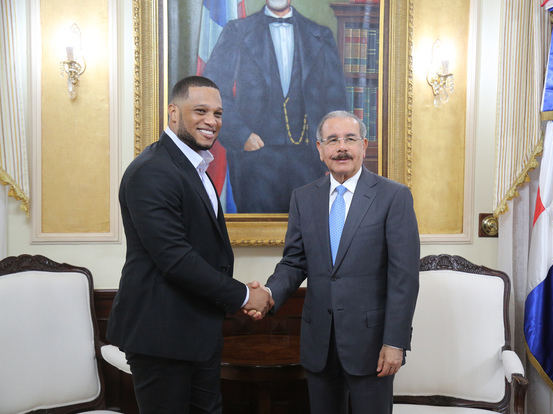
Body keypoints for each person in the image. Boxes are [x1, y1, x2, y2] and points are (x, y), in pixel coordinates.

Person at [106, 76, 272, 414]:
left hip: (198, 331)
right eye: (200, 111)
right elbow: (175, 259)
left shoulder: (195, 166)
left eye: (218, 113)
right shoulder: (151, 170)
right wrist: (243, 295)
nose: (212, 121)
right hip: (161, 335)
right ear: (173, 114)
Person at [262, 111, 420, 414]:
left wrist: (395, 342)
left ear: (363, 145)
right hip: (319, 343)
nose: (341, 147)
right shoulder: (303, 198)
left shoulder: (393, 197)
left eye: (350, 139)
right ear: (320, 150)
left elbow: (404, 278)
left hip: (372, 345)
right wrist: (269, 295)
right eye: (332, 140)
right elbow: (294, 262)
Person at [203, 0, 347, 213]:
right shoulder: (237, 31)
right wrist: (242, 136)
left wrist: (332, 150)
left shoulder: (320, 35)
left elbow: (336, 101)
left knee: (308, 233)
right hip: (254, 161)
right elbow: (212, 91)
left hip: (308, 159)